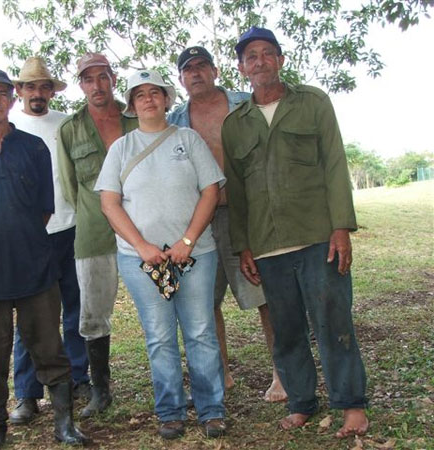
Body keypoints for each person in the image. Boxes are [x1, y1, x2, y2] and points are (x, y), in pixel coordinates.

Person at [222, 26, 369, 438]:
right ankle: (301, 401)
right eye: (251, 56)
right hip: (267, 247)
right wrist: (243, 246)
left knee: (332, 321)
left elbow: (336, 165)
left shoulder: (312, 102)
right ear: (242, 68)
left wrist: (341, 227)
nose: (260, 61)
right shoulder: (236, 124)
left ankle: (351, 405)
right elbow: (236, 188)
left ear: (280, 60)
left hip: (317, 237)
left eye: (268, 53)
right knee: (286, 330)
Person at [0, 68, 89, 449]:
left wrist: (20, 240)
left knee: (49, 348)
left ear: (12, 100)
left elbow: (45, 209)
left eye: (2, 93)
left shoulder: (33, 148)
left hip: (35, 269)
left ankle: (64, 423)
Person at [96, 69, 227, 440]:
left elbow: (210, 191)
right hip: (142, 261)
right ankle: (170, 412)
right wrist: (143, 247)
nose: (149, 99)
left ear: (167, 99)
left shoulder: (188, 139)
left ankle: (211, 409)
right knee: (160, 336)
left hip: (195, 254)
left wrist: (187, 241)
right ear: (132, 105)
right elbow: (109, 203)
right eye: (140, 95)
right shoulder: (121, 149)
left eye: (156, 92)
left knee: (201, 332)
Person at [168, 46, 287, 402]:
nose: (196, 73)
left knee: (265, 294)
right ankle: (221, 373)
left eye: (202, 66)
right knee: (205, 300)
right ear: (181, 79)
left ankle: (281, 374)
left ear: (215, 71)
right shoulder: (174, 121)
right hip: (199, 220)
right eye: (188, 69)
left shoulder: (243, 104)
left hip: (246, 214)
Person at [8, 57, 90, 425]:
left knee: (75, 311)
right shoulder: (8, 129)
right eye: (30, 87)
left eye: (44, 87)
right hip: (29, 238)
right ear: (19, 91)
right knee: (30, 319)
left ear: (51, 91)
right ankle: (26, 394)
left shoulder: (66, 124)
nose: (37, 94)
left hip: (70, 229)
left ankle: (79, 378)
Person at [57, 53, 138, 417]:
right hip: (93, 231)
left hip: (144, 229)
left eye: (102, 77)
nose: (96, 85)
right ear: (81, 85)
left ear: (112, 78)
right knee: (91, 313)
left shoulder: (135, 120)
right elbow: (71, 187)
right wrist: (98, 211)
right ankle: (100, 390)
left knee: (162, 303)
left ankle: (169, 383)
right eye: (88, 79)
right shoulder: (70, 129)